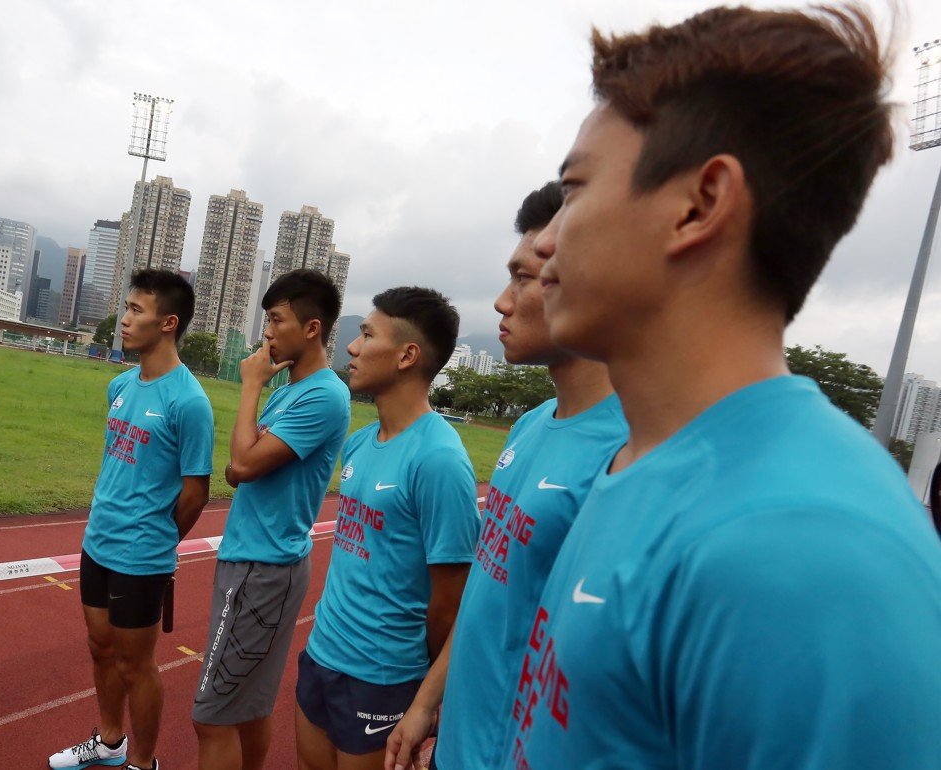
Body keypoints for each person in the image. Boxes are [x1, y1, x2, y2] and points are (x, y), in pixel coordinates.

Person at [504, 7, 941, 768]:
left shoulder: (805, 551)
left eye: (574, 189)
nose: (544, 239)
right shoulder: (645, 461)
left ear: (700, 204)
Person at [384, 183, 626, 770]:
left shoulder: (628, 453)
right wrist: (428, 701)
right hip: (458, 744)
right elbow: (489, 593)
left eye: (522, 277)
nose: (500, 301)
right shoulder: (531, 425)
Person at [295, 287, 480, 770]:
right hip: (322, 654)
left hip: (383, 676)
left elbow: (450, 601)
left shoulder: (439, 459)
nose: (352, 348)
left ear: (407, 355)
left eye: (366, 334)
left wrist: (427, 693)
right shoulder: (358, 444)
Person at [49, 269, 214, 770]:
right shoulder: (120, 385)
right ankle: (109, 742)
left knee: (136, 664)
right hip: (97, 542)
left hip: (141, 554)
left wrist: (159, 540)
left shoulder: (189, 401)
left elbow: (196, 493)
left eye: (136, 311)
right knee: (100, 648)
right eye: (126, 308)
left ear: (168, 322)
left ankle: (143, 762)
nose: (123, 320)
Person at [193, 269, 351, 770]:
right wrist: (245, 457)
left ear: (311, 328)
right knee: (246, 707)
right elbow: (240, 466)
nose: (267, 332)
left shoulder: (322, 395)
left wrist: (250, 386)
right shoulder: (292, 390)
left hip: (262, 568)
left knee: (212, 714)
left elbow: (240, 467)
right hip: (254, 562)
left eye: (276, 320)